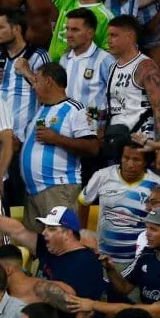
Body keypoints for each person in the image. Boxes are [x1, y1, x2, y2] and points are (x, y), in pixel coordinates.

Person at [0, 197, 109, 302]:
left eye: (51, 229)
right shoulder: (49, 247)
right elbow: (17, 231)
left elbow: (81, 309)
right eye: (45, 227)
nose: (44, 232)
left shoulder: (86, 263)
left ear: (68, 234)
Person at [21, 62, 99, 231]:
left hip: (59, 189)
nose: (34, 86)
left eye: (37, 81)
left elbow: (93, 147)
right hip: (32, 193)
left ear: (48, 81)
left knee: (63, 244)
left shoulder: (79, 109)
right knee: (37, 250)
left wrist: (56, 138)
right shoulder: (40, 111)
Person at [79, 143, 160, 266]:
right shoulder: (103, 176)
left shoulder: (156, 184)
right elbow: (83, 202)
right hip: (102, 258)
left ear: (146, 162)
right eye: (126, 158)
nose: (130, 164)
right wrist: (82, 232)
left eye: (136, 160)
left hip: (137, 262)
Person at [104, 16, 160, 169]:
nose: (108, 40)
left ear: (130, 36)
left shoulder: (146, 66)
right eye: (108, 35)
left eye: (114, 35)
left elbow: (159, 109)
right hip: (116, 141)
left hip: (140, 144)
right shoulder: (113, 66)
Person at [0, 10, 51, 142]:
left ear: (16, 29)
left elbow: (51, 94)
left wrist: (28, 73)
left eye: (0, 27)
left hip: (25, 138)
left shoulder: (39, 56)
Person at [58, 8, 115, 120]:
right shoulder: (64, 59)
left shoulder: (105, 61)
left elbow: (118, 99)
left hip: (92, 131)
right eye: (67, 29)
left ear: (90, 33)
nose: (68, 34)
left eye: (75, 30)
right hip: (65, 127)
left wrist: (99, 119)